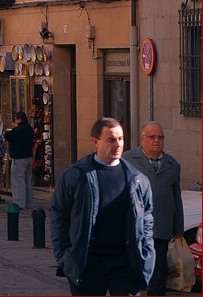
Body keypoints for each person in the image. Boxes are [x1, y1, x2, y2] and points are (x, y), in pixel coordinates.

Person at [50, 117, 155, 296]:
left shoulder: (137, 179)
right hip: (88, 264)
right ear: (95, 142)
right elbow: (59, 217)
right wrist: (65, 256)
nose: (117, 144)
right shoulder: (76, 176)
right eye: (111, 139)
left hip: (125, 264)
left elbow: (147, 219)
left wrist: (147, 254)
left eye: (121, 139)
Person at [122, 121, 183, 296]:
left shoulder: (172, 165)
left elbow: (176, 198)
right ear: (142, 139)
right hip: (134, 229)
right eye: (152, 137)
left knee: (159, 273)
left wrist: (178, 228)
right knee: (132, 270)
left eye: (160, 137)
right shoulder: (128, 160)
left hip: (160, 229)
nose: (156, 141)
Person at [3, 111, 35, 210]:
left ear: (20, 119)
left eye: (16, 119)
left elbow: (7, 135)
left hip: (19, 158)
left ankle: (20, 203)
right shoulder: (29, 129)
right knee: (27, 180)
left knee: (18, 180)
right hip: (28, 157)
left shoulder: (18, 130)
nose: (15, 121)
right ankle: (28, 202)